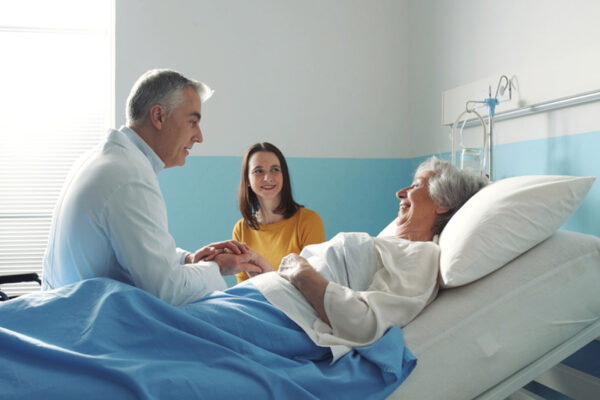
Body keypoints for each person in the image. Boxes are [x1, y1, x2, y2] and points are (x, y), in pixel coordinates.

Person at [42, 69, 271, 306]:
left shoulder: (103, 160)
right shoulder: (130, 177)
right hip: (90, 328)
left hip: (67, 312)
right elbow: (167, 291)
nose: (199, 137)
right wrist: (216, 267)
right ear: (159, 116)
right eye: (192, 122)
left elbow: (136, 251)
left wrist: (189, 260)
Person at [249, 156, 489, 356]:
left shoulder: (421, 256)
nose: (400, 193)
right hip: (267, 300)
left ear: (443, 203)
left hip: (277, 320)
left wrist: (300, 271)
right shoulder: (392, 245)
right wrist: (264, 268)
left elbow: (364, 324)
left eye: (415, 186)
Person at [232, 142, 325, 283]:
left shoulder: (309, 220)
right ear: (247, 180)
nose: (267, 178)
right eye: (258, 171)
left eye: (275, 169)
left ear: (284, 176)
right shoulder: (241, 229)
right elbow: (244, 287)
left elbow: (315, 284)